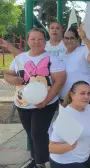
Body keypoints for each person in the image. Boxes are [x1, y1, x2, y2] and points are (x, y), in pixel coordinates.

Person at [4, 28, 66, 168]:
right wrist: (12, 79)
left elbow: (60, 81)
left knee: (38, 133)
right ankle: (35, 158)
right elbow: (8, 75)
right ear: (27, 41)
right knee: (30, 133)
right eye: (33, 39)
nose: (36, 42)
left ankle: (41, 162)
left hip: (45, 104)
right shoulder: (20, 58)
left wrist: (45, 101)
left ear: (45, 42)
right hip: (23, 103)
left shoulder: (53, 59)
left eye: (40, 39)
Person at [49, 81, 90, 168]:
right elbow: (52, 148)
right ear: (72, 95)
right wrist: (68, 146)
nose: (86, 97)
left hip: (85, 155)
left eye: (88, 93)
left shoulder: (89, 109)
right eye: (82, 93)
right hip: (66, 162)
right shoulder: (66, 117)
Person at [58, 25, 90, 104]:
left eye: (72, 38)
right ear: (63, 40)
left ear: (78, 38)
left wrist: (84, 38)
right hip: (64, 99)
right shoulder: (60, 56)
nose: (69, 41)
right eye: (66, 38)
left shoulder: (83, 50)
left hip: (83, 98)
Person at [0, 21, 66, 57]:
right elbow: (25, 56)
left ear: (62, 30)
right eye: (52, 28)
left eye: (58, 28)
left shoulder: (68, 44)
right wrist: (8, 46)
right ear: (48, 30)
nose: (54, 30)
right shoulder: (42, 44)